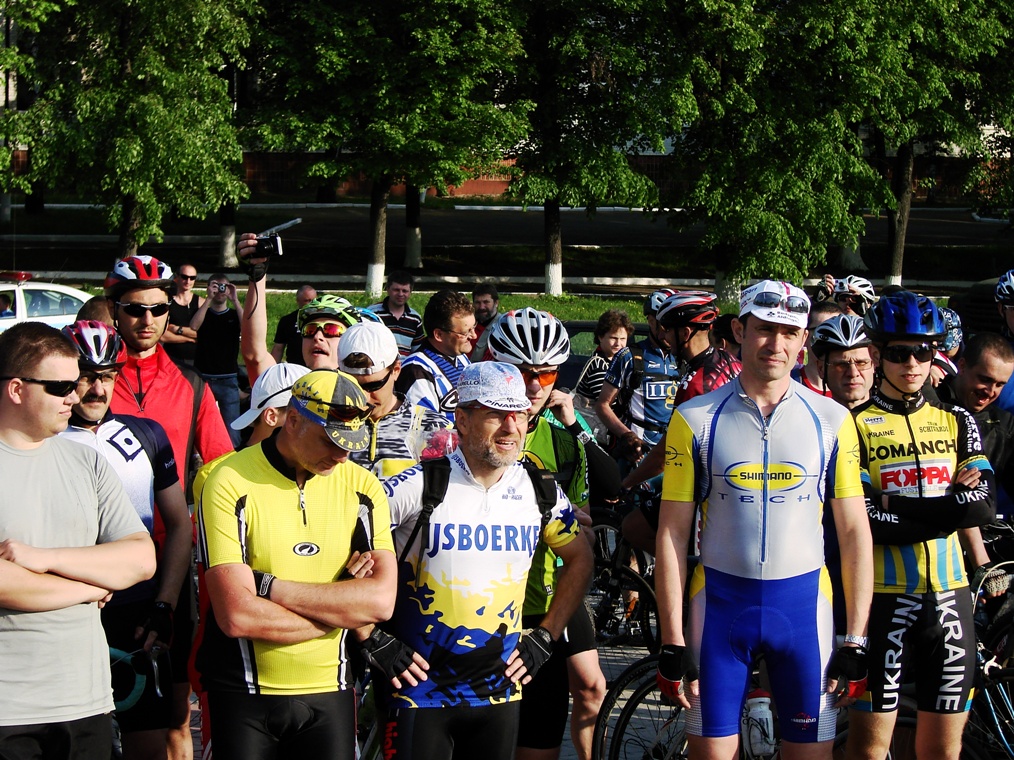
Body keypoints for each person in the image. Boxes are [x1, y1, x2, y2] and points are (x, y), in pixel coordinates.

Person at [655, 280, 874, 759]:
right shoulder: (694, 418)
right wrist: (672, 640)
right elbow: (671, 532)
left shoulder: (833, 420)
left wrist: (856, 638)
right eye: (764, 329)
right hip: (718, 608)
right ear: (739, 331)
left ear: (803, 341)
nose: (776, 344)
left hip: (804, 611)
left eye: (789, 333)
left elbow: (855, 532)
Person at [371, 361, 593, 760]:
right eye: (495, 414)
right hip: (418, 691)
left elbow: (580, 559)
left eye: (519, 414)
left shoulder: (540, 491)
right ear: (462, 419)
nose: (511, 427)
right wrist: (371, 638)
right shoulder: (419, 483)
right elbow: (337, 546)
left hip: (499, 693)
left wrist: (546, 635)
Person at [195, 370, 397, 760]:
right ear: (292, 420)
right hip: (243, 693)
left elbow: (380, 603)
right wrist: (342, 610)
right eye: (330, 441)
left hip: (331, 691)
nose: (341, 455)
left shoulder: (362, 486)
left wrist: (269, 587)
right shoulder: (228, 479)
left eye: (350, 444)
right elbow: (237, 616)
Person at [847, 291, 996, 760]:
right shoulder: (853, 424)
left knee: (942, 753)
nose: (911, 363)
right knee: (869, 751)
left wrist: (895, 503)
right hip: (883, 602)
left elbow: (981, 508)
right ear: (877, 354)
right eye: (898, 352)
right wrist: (946, 507)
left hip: (951, 600)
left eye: (922, 351)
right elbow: (868, 522)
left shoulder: (957, 419)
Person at [0, 322, 155, 759]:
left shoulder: (87, 462)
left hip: (87, 703)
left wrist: (42, 558)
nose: (75, 396)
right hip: (8, 709)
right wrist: (91, 586)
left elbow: (141, 559)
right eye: (61, 386)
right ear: (16, 389)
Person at [104, 254, 234, 760]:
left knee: (175, 716)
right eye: (135, 309)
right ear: (114, 310)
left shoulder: (191, 384)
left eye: (159, 309)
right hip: (98, 556)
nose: (148, 320)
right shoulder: (90, 378)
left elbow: (221, 469)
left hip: (169, 564)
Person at [59, 320, 193, 760]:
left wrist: (164, 605)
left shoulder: (147, 433)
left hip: (137, 613)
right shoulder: (44, 438)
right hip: (67, 610)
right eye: (86, 377)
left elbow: (179, 526)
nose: (98, 390)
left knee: (149, 744)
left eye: (108, 376)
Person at [487, 308, 610, 760]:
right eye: (524, 373)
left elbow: (584, 526)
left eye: (548, 373)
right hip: (476, 610)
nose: (536, 386)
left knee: (543, 740)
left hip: (543, 604)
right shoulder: (461, 431)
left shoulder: (563, 439)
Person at [620, 291, 741, 555]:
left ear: (685, 333)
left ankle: (681, 572)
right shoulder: (729, 361)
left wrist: (628, 481)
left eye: (667, 330)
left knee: (632, 526)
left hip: (704, 491)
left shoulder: (694, 384)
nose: (663, 337)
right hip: (730, 483)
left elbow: (666, 453)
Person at [934, 332, 1014, 596]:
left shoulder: (1003, 425)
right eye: (985, 379)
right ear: (963, 365)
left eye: (1000, 385)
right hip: (933, 544)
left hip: (985, 538)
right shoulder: (930, 405)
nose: (990, 392)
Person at [338, 320, 452, 477]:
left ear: (396, 370)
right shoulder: (328, 421)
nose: (363, 397)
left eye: (374, 385)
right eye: (352, 386)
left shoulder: (434, 428)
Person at [595, 288, 680, 467]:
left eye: (675, 324)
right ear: (651, 321)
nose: (670, 331)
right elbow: (602, 405)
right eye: (665, 324)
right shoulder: (628, 356)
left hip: (673, 453)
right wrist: (627, 436)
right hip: (638, 454)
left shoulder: (682, 358)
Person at [395, 288, 475, 421]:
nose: (474, 336)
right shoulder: (417, 370)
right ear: (439, 335)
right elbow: (424, 427)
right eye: (465, 332)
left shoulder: (460, 357)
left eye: (473, 327)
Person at [191, 273, 244, 444]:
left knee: (232, 427)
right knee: (197, 423)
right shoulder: (203, 312)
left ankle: (234, 454)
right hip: (203, 377)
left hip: (227, 377)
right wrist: (208, 298)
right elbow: (194, 326)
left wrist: (235, 299)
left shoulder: (234, 315)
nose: (220, 290)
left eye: (224, 287)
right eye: (216, 286)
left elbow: (248, 328)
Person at [574, 308, 633, 410]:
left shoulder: (617, 362)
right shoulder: (598, 364)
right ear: (600, 337)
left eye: (623, 339)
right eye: (613, 338)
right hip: (594, 419)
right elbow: (609, 405)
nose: (618, 344)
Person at [368, 271, 424, 358]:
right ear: (387, 289)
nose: (400, 294)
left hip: (405, 364)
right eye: (396, 290)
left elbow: (418, 351)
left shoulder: (415, 318)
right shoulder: (372, 314)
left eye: (405, 291)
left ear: (410, 292)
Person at [792, 300, 843, 391]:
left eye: (838, 331)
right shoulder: (787, 384)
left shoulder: (855, 386)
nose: (831, 339)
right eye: (822, 332)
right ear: (805, 337)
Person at [161, 263, 202, 366]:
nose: (188, 281)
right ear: (177, 277)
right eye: (184, 277)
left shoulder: (201, 303)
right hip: (171, 359)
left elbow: (205, 334)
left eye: (192, 278)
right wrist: (189, 338)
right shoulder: (167, 303)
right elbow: (162, 336)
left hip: (197, 359)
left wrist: (177, 329)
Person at [271, 284, 317, 365]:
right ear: (298, 301)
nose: (311, 304)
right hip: (294, 367)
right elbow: (278, 349)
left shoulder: (324, 319)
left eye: (314, 300)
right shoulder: (287, 321)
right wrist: (272, 368)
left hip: (317, 367)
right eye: (307, 300)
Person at [470, 283, 500, 360]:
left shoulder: (502, 328)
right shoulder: (466, 324)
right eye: (477, 302)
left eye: (486, 302)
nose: (481, 307)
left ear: (496, 303)